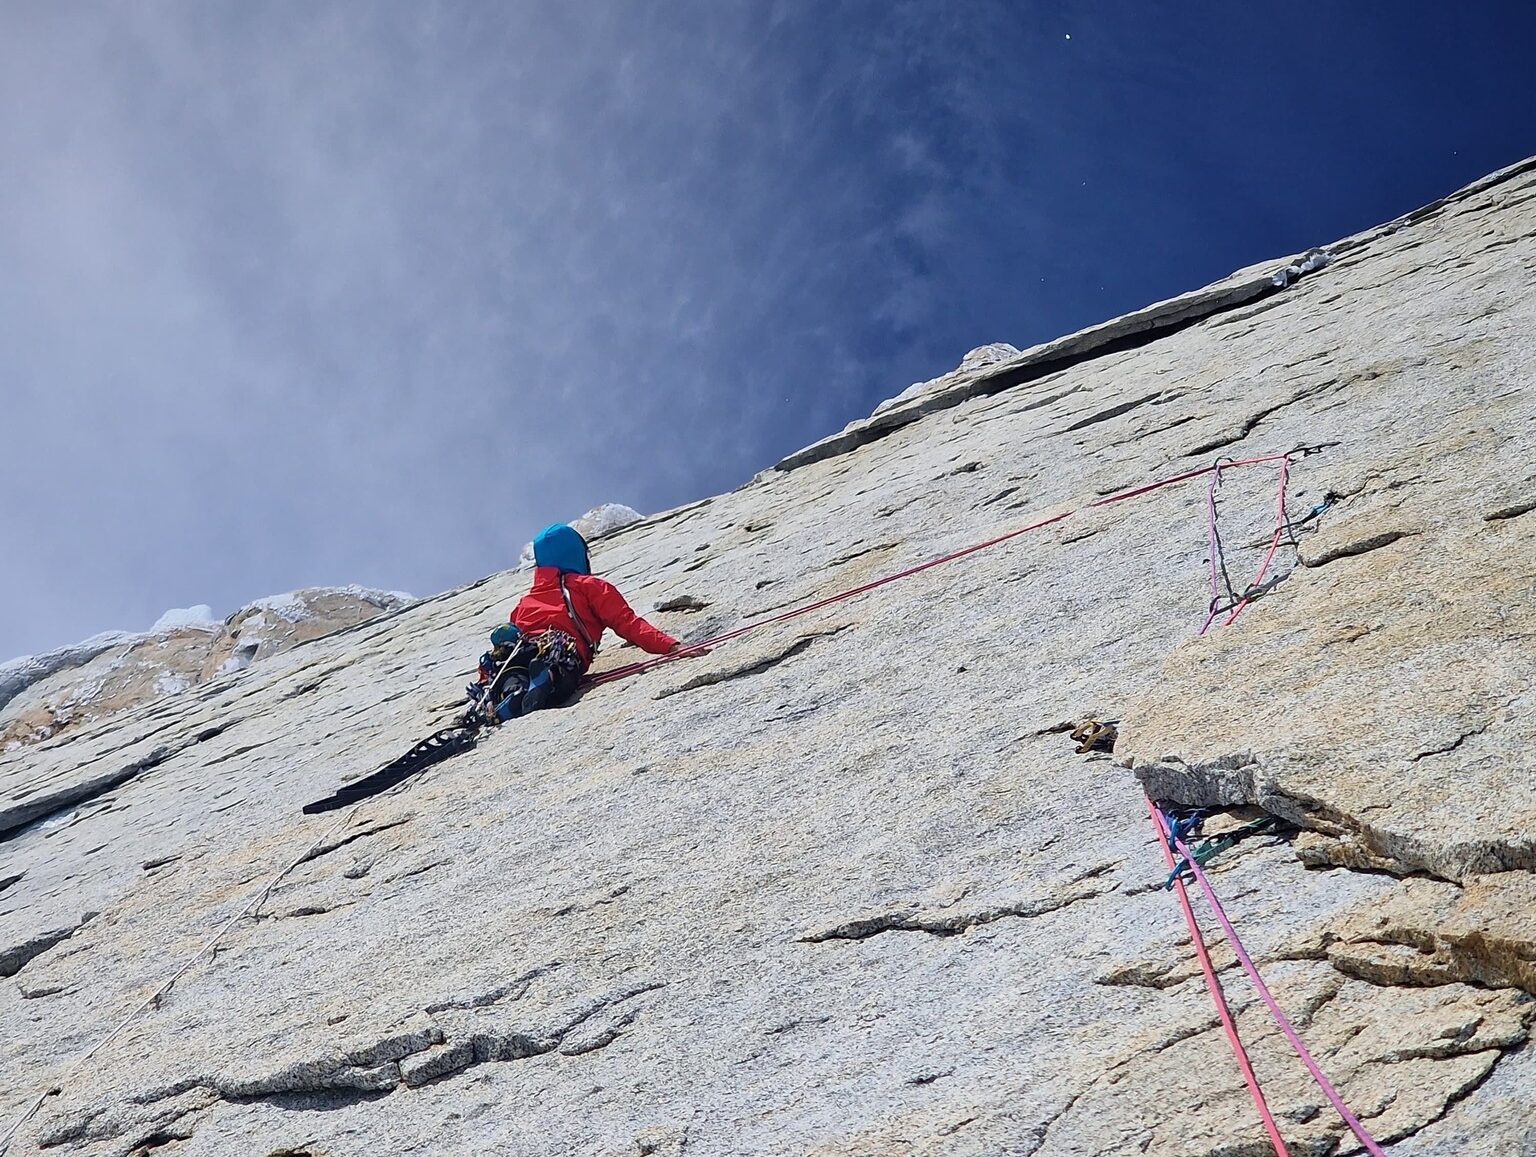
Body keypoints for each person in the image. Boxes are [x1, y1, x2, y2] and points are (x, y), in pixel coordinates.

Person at [469, 523, 687, 722]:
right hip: (559, 649)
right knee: (560, 667)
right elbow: (626, 622)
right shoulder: (590, 586)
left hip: (519, 651)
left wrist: (482, 682)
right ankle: (548, 678)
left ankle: (508, 692)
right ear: (576, 554)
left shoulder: (524, 602)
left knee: (512, 668)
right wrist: (671, 646)